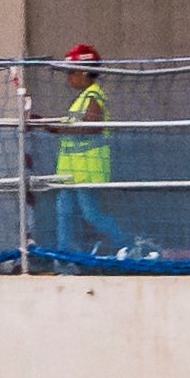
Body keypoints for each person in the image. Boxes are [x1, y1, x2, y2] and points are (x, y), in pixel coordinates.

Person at [50, 40, 119, 261]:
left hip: (87, 172)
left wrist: (60, 129)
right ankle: (65, 258)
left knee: (92, 215)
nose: (68, 77)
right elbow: (73, 127)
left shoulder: (93, 96)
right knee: (64, 213)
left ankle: (127, 243)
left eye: (71, 72)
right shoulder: (81, 99)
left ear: (84, 71)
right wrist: (48, 125)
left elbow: (92, 127)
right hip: (71, 173)